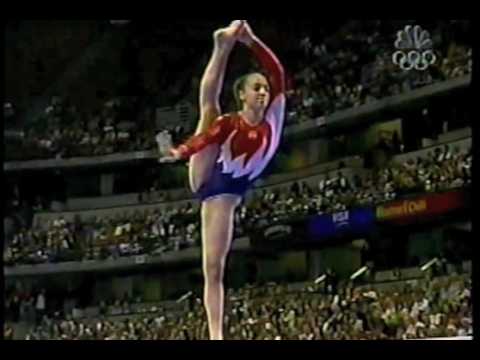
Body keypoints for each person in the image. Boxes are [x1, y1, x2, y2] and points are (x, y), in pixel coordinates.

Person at [157, 20, 285, 340]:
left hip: (230, 194)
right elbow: (205, 139)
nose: (263, 92)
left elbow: (278, 74)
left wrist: (253, 41)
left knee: (217, 267)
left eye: (264, 89)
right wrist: (179, 151)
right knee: (209, 110)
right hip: (211, 184)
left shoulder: (274, 117)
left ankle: (224, 44)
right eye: (256, 88)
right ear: (241, 95)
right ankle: (221, 48)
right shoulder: (229, 122)